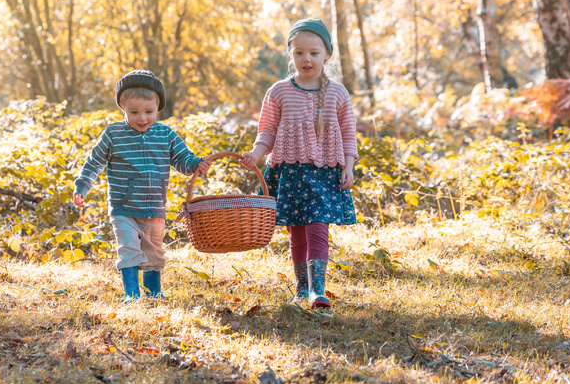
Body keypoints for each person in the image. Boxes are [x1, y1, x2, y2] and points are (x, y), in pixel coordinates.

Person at [241, 19, 358, 309]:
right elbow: (266, 130)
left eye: (314, 53)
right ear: (290, 55)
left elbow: (348, 134)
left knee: (318, 227)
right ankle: (301, 289)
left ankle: (318, 290)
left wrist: (349, 165)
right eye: (299, 53)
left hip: (324, 172)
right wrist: (256, 154)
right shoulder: (279, 91)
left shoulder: (337, 93)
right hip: (289, 173)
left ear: (327, 54)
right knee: (297, 232)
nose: (307, 59)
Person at [73, 70, 211, 302]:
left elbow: (181, 158)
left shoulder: (165, 134)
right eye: (134, 112)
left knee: (154, 252)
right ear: (122, 109)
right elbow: (94, 161)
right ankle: (132, 295)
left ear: (158, 108)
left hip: (154, 208)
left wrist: (196, 164)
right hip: (123, 207)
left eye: (149, 112)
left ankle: (153, 292)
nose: (143, 118)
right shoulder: (113, 134)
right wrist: (82, 186)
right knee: (128, 249)